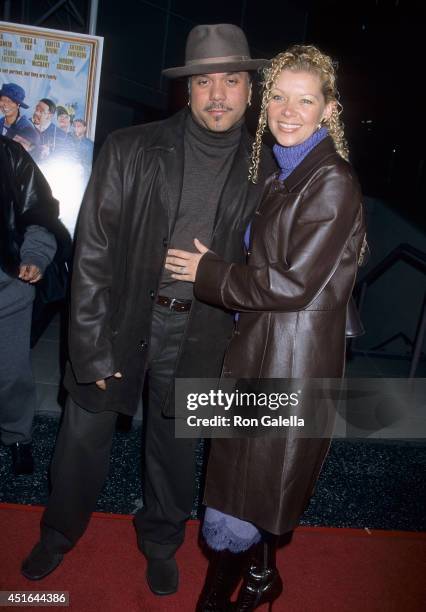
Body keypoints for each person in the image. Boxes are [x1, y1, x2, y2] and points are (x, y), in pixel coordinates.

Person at [21, 23, 275, 596]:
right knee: (81, 440)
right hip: (120, 320)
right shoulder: (130, 148)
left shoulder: (269, 173)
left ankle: (162, 540)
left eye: (231, 80)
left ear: (249, 89)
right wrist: (89, 346)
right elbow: (93, 254)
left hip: (205, 330)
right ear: (187, 89)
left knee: (176, 452)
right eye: (205, 81)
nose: (218, 94)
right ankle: (58, 533)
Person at [165, 44, 367, 610]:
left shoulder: (330, 180)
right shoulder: (288, 170)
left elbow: (290, 284)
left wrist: (211, 273)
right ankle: (260, 578)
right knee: (247, 480)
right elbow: (273, 266)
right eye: (277, 96)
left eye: (305, 100)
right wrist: (225, 264)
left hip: (285, 363)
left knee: (239, 494)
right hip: (260, 347)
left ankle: (216, 603)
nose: (287, 110)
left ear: (328, 109)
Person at [0, 135, 58, 475]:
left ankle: (18, 437)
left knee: (10, 376)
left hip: (8, 290)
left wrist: (35, 257)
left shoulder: (9, 154)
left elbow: (41, 214)